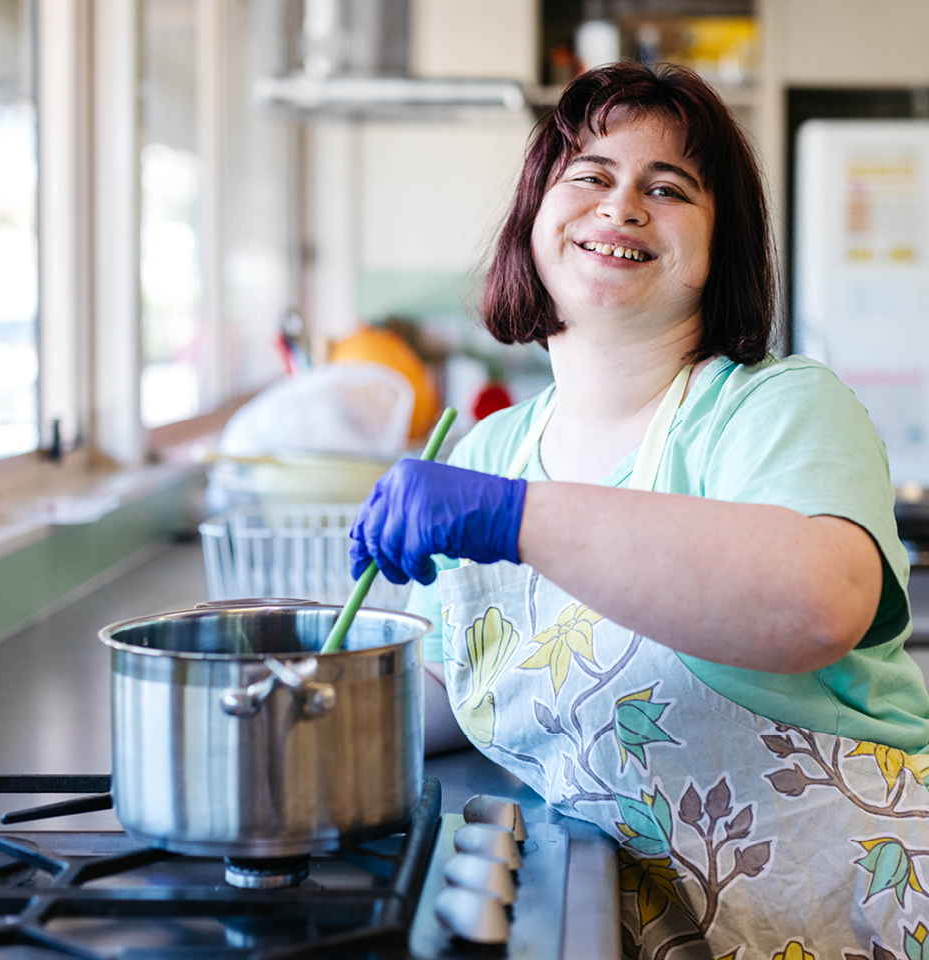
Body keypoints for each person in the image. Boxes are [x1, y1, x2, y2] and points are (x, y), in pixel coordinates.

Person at [350, 61, 929, 955]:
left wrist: (513, 519)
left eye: (668, 188)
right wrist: (297, 688)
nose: (621, 207)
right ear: (533, 219)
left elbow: (820, 604)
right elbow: (438, 686)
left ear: (718, 250)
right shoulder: (489, 453)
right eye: (590, 176)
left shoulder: (773, 407)